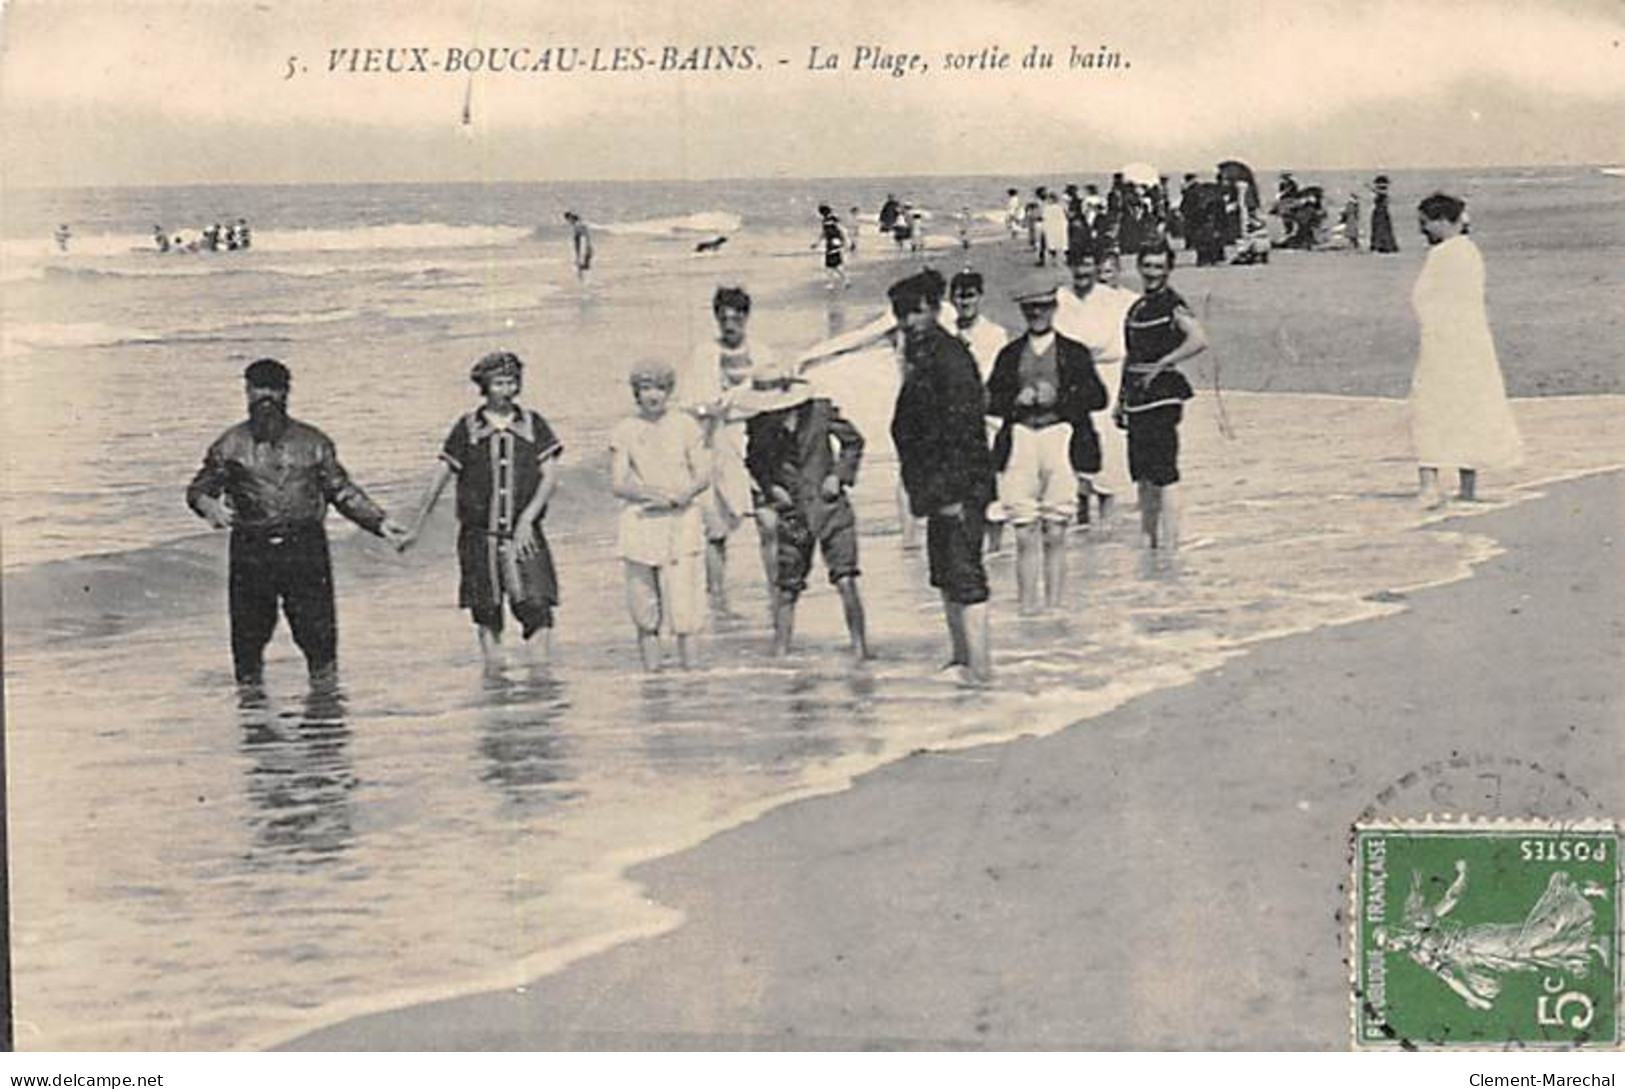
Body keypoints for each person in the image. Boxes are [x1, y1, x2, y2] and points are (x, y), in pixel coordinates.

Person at [186, 358, 408, 686]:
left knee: (318, 638)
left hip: (305, 548)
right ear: (247, 393)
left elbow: (341, 490)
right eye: (258, 390)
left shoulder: (314, 442)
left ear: (286, 393)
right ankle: (253, 715)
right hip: (251, 549)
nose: (266, 398)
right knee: (248, 642)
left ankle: (325, 710)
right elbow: (199, 488)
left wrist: (379, 521)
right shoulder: (230, 445)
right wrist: (209, 506)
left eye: (273, 390)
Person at [400, 351, 563, 665]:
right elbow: (440, 479)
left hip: (524, 535)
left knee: (537, 607)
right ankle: (495, 678)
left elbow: (550, 477)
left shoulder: (532, 423)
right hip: (478, 536)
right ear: (484, 386)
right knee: (486, 612)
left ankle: (542, 681)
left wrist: (528, 519)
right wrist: (416, 527)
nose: (507, 389)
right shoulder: (467, 427)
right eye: (499, 383)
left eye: (512, 382)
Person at [888, 270, 995, 684]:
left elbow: (963, 430)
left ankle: (981, 669)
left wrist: (952, 493)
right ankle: (962, 660)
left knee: (965, 576)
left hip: (958, 486)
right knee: (946, 577)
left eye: (913, 313)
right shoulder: (923, 353)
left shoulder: (949, 358)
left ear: (934, 309)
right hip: (938, 487)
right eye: (900, 314)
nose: (906, 322)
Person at [987, 275, 1107, 613]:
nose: (1036, 313)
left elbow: (1098, 397)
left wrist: (1062, 396)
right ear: (1023, 311)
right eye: (1030, 308)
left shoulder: (1075, 352)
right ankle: (1027, 610)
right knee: (1023, 531)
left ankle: (1054, 608)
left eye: (1042, 306)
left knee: (1056, 530)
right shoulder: (1010, 354)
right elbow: (990, 399)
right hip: (1021, 440)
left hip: (1061, 437)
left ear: (1054, 307)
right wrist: (1015, 399)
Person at [741, 367, 870, 659]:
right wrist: (772, 489)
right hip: (793, 516)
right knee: (788, 586)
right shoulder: (759, 424)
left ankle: (860, 649)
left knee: (845, 577)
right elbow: (754, 462)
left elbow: (854, 441)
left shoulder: (820, 411)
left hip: (832, 510)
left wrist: (839, 475)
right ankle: (781, 652)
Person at [1408, 192, 1521, 508]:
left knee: (1430, 404)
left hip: (1444, 342)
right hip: (1473, 341)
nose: (1423, 230)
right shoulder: (1470, 251)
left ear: (1442, 221)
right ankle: (1467, 486)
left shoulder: (1444, 254)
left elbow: (1426, 299)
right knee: (1470, 403)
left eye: (1425, 223)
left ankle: (1429, 486)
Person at [682, 286, 779, 614]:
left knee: (768, 522)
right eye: (724, 318)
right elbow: (689, 405)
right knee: (717, 529)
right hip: (717, 443)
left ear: (746, 317)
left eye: (736, 318)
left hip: (758, 441)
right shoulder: (703, 354)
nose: (730, 324)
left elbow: (776, 396)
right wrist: (706, 409)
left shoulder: (763, 353)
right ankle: (717, 599)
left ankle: (776, 592)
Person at [610, 360, 710, 671]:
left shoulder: (685, 425)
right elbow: (618, 482)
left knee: (685, 611)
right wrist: (649, 494)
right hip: (640, 521)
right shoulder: (624, 430)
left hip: (682, 520)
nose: (653, 395)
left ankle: (691, 677)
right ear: (636, 393)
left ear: (670, 391)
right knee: (645, 610)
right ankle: (653, 679)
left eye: (660, 388)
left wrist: (683, 494)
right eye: (645, 388)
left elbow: (704, 473)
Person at [1116, 247, 1208, 550]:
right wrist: (1120, 398)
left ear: (1168, 270)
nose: (1153, 272)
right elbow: (1129, 355)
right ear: (1140, 268)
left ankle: (1170, 544)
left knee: (1164, 470)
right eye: (1147, 266)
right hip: (1137, 395)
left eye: (1159, 267)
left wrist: (1164, 362)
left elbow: (1198, 339)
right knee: (1141, 473)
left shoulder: (1172, 303)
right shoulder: (1138, 307)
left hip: (1164, 395)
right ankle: (1148, 539)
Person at [1054, 251, 1138, 525]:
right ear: (1069, 265)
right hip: (1071, 382)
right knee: (1072, 456)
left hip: (1109, 377)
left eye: (1088, 264)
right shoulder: (1060, 299)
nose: (1082, 270)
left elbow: (1121, 344)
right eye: (1077, 263)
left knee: (1108, 453)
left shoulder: (1112, 300)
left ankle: (1107, 527)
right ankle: (1082, 528)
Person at [946, 269, 1012, 553]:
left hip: (988, 421)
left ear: (980, 297)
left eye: (970, 296)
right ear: (952, 299)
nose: (965, 302)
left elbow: (999, 379)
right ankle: (970, 550)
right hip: (954, 422)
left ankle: (995, 550)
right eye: (960, 297)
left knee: (993, 490)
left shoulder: (995, 334)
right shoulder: (945, 335)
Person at [813, 204, 850, 290]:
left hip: (833, 244)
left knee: (829, 265)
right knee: (835, 265)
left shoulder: (830, 220)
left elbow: (841, 230)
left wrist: (846, 242)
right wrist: (817, 243)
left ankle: (833, 283)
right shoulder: (830, 219)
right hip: (834, 244)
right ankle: (844, 280)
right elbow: (826, 233)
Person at [1369, 175, 1399, 253]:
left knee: (1382, 230)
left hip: (1381, 213)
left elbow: (1381, 194)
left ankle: (1382, 246)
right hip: (1380, 213)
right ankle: (1381, 245)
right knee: (1380, 230)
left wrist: (1372, 189)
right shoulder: (1381, 193)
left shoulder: (1383, 193)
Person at [563, 210, 594, 282]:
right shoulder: (577, 225)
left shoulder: (578, 225)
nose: (569, 222)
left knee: (582, 266)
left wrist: (581, 250)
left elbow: (582, 237)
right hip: (582, 247)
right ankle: (582, 281)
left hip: (583, 248)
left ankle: (583, 282)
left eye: (569, 219)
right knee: (581, 265)